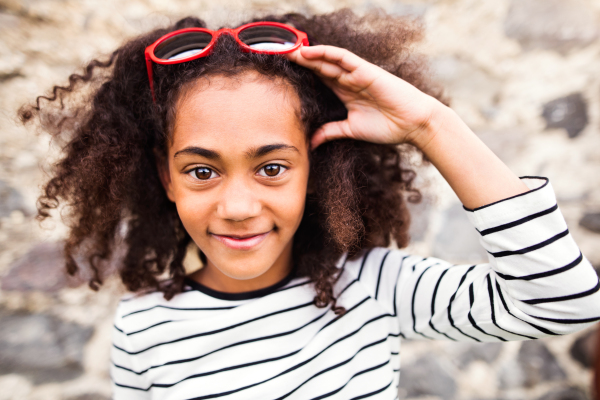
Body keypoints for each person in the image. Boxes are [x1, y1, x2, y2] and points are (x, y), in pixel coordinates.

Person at [19, 8, 600, 400]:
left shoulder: (374, 288)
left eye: (272, 167)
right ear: (164, 178)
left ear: (314, 172)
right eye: (202, 170)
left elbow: (565, 304)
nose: (239, 205)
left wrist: (430, 124)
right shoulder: (143, 332)